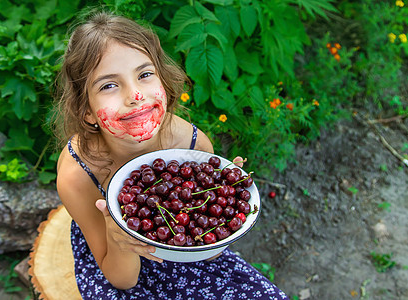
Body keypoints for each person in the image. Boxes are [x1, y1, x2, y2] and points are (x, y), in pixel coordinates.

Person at [53, 10, 289, 299]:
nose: (135, 95)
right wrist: (118, 237)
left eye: (145, 74)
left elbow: (207, 252)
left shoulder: (193, 147)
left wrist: (226, 202)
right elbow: (122, 280)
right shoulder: (77, 175)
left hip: (185, 249)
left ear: (163, 81)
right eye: (109, 85)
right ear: (86, 111)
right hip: (115, 253)